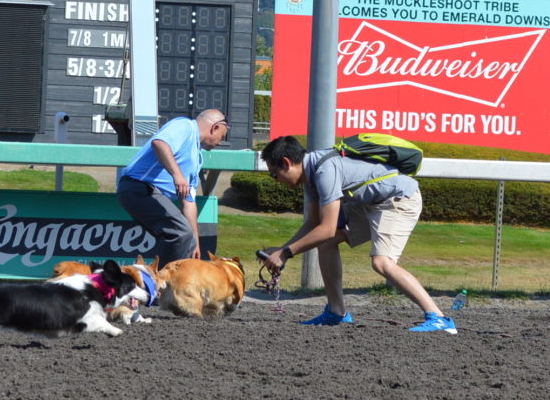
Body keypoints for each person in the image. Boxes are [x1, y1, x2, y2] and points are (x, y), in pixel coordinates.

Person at [256, 135, 456, 334]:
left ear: (287, 163)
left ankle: (439, 318)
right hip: (372, 203)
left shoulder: (325, 170)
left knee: (382, 262)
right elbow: (313, 224)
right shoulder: (311, 174)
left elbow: (326, 229)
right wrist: (282, 250)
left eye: (274, 174)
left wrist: (286, 253)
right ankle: (336, 312)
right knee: (326, 243)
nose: (277, 181)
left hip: (398, 199)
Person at [115, 109, 231, 266]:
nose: (220, 143)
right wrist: (177, 175)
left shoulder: (196, 158)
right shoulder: (185, 126)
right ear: (215, 127)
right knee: (180, 233)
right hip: (138, 187)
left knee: (186, 238)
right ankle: (162, 278)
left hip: (150, 193)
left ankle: (163, 277)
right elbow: (160, 143)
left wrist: (195, 241)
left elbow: (188, 202)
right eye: (221, 137)